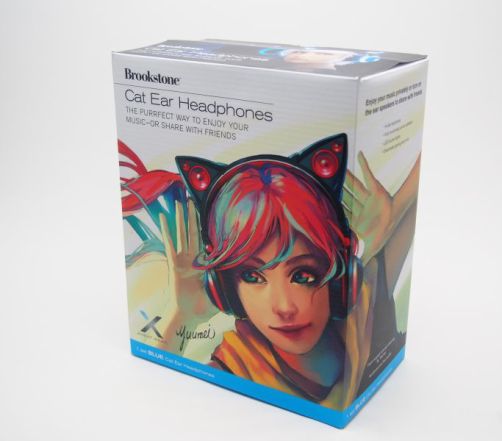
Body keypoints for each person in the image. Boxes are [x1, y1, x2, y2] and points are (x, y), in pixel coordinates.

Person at [121, 137, 420, 410]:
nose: (284, 307)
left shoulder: (359, 314)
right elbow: (152, 397)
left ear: (340, 278)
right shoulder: (238, 367)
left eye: (303, 276)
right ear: (224, 290)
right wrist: (182, 316)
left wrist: (386, 221)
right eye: (253, 277)